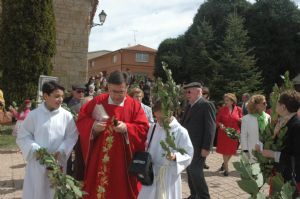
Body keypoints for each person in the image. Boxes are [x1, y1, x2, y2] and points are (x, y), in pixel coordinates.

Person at [76, 70, 149, 199]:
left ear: (127, 88)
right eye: (113, 91)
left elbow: (143, 128)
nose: (117, 96)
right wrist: (93, 126)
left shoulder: (134, 106)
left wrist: (127, 127)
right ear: (108, 87)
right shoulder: (98, 101)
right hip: (99, 156)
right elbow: (82, 119)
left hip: (123, 159)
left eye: (121, 92)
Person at [16, 81, 78, 199]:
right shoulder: (34, 115)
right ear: (45, 96)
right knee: (37, 191)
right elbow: (23, 135)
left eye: (62, 96)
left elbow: (72, 136)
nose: (60, 99)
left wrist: (62, 149)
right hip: (38, 162)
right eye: (56, 96)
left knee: (55, 191)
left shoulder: (66, 116)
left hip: (57, 162)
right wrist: (36, 150)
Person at [138, 100, 193, 199]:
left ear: (170, 113)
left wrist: (176, 156)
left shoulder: (181, 131)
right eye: (157, 117)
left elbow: (188, 153)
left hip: (168, 174)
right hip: (152, 172)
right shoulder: (154, 127)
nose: (159, 121)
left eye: (162, 118)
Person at [257, 90, 300, 196]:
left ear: (283, 107)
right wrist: (274, 135)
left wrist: (272, 154)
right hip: (280, 174)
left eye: (277, 102)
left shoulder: (297, 126)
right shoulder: (282, 122)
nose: (275, 104)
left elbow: (297, 156)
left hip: (290, 180)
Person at [181, 82, 216, 199]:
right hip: (187, 146)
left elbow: (210, 128)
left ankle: (204, 196)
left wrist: (206, 147)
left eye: (189, 91)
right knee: (190, 172)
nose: (187, 94)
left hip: (199, 147)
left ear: (198, 92)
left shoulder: (206, 105)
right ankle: (194, 194)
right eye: (186, 92)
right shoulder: (189, 105)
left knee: (196, 173)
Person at [216, 93, 243, 176]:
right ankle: (227, 170)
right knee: (225, 151)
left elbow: (242, 118)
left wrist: (241, 119)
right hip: (224, 133)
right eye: (225, 100)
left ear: (232, 101)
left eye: (227, 100)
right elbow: (217, 120)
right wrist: (220, 125)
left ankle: (224, 164)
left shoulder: (238, 109)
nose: (225, 102)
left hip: (234, 133)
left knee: (232, 151)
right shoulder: (222, 109)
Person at [240, 95, 270, 161]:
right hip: (252, 151)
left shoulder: (268, 117)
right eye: (264, 103)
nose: (266, 105)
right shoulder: (246, 119)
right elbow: (243, 136)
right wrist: (245, 151)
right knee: (254, 170)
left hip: (266, 152)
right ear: (256, 105)